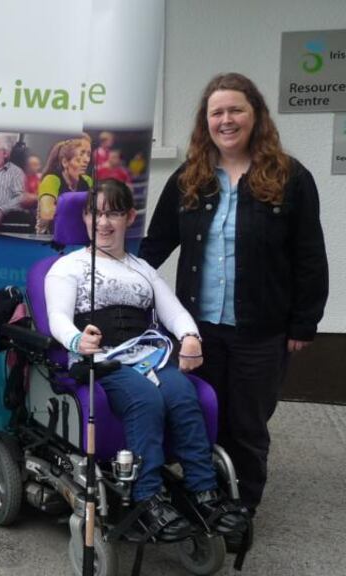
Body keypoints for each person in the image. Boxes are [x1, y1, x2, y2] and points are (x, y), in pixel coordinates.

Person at [139, 72, 328, 515]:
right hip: (198, 330)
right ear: (205, 122)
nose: (226, 120)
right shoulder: (190, 178)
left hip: (261, 331)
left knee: (246, 425)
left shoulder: (289, 177)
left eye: (235, 110)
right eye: (216, 112)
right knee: (202, 415)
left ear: (256, 115)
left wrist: (305, 321)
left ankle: (240, 508)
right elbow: (155, 244)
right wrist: (112, 275)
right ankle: (203, 494)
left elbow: (309, 256)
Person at [45, 179, 250, 542]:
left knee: (184, 396)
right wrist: (78, 339)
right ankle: (148, 496)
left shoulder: (142, 268)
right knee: (145, 399)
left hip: (148, 355)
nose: (104, 222)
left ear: (130, 218)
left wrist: (189, 337)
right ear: (86, 218)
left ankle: (203, 492)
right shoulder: (68, 267)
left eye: (113, 213)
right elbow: (58, 317)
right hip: (106, 360)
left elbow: (174, 312)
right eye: (96, 213)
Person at [36, 134, 92, 234]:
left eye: (88, 154)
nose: (86, 160)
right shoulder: (51, 179)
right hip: (50, 238)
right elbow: (47, 213)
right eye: (82, 153)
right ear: (65, 162)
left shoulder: (87, 180)